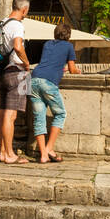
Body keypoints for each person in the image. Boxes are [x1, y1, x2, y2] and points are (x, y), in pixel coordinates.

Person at [28, 21, 79, 163]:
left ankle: (43, 155)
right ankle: (49, 148)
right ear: (68, 35)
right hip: (48, 82)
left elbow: (49, 62)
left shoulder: (48, 44)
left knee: (39, 118)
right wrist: (75, 71)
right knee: (60, 113)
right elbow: (73, 69)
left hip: (34, 79)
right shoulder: (69, 46)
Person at [0, 0, 32, 164]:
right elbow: (17, 46)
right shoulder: (17, 25)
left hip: (2, 71)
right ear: (24, 9)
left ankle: (2, 152)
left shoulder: (2, 23)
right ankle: (9, 154)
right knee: (11, 115)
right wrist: (27, 62)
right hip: (16, 71)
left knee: (2, 113)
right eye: (27, 11)